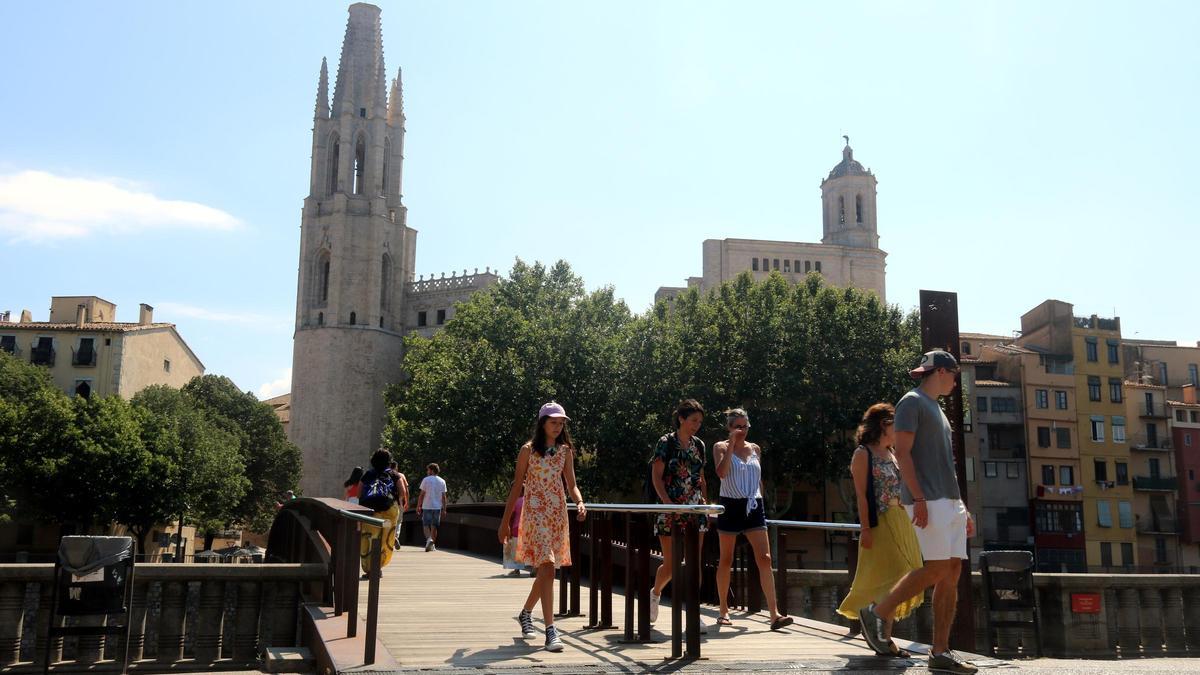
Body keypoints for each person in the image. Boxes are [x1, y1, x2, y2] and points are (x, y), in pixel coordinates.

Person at [859, 350, 977, 674]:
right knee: (938, 568)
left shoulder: (937, 409)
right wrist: (920, 499)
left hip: (948, 500)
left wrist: (963, 508)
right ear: (942, 371)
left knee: (951, 571)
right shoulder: (911, 402)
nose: (956, 380)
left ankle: (940, 652)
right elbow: (904, 452)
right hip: (929, 500)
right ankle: (879, 611)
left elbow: (946, 465)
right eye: (954, 374)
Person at [498, 401, 587, 652]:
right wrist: (504, 523)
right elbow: (517, 487)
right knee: (547, 565)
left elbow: (571, 484)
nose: (558, 427)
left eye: (561, 423)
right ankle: (550, 630)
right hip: (535, 514)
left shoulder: (565, 451)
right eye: (553, 422)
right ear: (542, 423)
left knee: (547, 570)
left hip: (557, 515)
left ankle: (526, 613)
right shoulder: (528, 450)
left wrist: (579, 502)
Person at [837, 403, 923, 656]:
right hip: (882, 521)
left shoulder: (893, 452)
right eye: (894, 422)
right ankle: (881, 635)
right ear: (883, 424)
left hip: (902, 520)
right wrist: (865, 529)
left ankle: (883, 637)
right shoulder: (863, 454)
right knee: (890, 576)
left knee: (905, 575)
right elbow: (862, 496)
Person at [712, 408, 791, 631]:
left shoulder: (755, 448)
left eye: (745, 426)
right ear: (729, 427)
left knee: (765, 558)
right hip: (730, 504)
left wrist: (761, 499)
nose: (742, 430)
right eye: (737, 426)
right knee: (726, 559)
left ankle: (774, 614)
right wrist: (730, 445)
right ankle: (723, 610)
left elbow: (758, 478)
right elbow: (722, 473)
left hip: (753, 504)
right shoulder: (720, 447)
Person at [648, 399, 709, 630]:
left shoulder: (699, 445)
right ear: (681, 419)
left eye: (700, 422)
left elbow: (701, 476)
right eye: (693, 420)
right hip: (671, 508)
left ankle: (693, 611)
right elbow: (657, 475)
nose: (696, 425)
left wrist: (706, 505)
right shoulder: (666, 442)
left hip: (695, 509)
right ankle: (655, 593)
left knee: (694, 562)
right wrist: (666, 503)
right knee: (672, 564)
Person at [358, 450, 402, 577]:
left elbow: (359, 493)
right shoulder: (394, 474)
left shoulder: (368, 474)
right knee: (386, 539)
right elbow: (402, 492)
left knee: (370, 537)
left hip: (371, 510)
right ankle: (378, 567)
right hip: (389, 509)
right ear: (388, 460)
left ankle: (369, 568)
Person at [416, 463, 447, 552]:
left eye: (428, 470)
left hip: (427, 506)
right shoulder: (442, 481)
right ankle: (433, 546)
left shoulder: (426, 480)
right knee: (434, 526)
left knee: (426, 525)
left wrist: (418, 506)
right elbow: (444, 496)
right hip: (437, 507)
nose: (427, 471)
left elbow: (422, 495)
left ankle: (429, 539)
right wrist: (444, 509)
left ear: (432, 470)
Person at [502, 491, 527, 576]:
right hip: (527, 528)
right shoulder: (528, 500)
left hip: (516, 527)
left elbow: (512, 516)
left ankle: (517, 570)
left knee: (516, 549)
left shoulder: (515, 501)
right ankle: (535, 570)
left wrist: (509, 527)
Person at [389, 460, 410, 549]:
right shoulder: (401, 475)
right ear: (396, 467)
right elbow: (406, 490)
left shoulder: (386, 474)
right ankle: (396, 537)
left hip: (388, 502)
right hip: (399, 501)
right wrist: (407, 502)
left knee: (389, 520)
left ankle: (390, 538)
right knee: (399, 521)